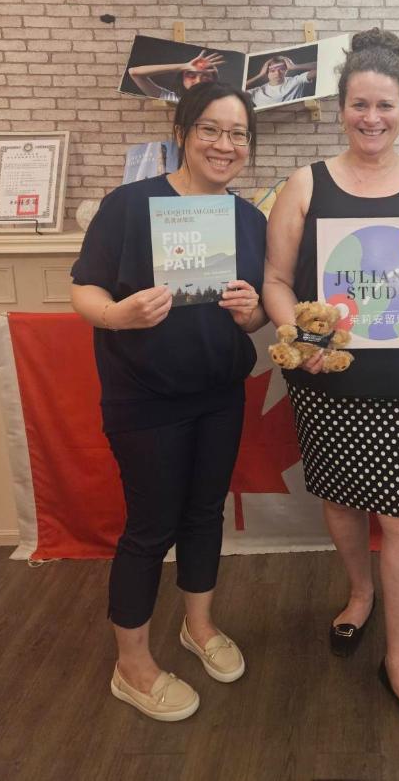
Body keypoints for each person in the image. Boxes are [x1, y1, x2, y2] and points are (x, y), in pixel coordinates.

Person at [263, 28, 399, 745]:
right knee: (342, 499)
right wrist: (299, 334)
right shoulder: (304, 184)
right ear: (341, 109)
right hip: (326, 376)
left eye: (385, 105)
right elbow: (276, 281)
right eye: (359, 104)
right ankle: (359, 592)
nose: (371, 117)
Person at [71, 81, 267, 722]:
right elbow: (85, 289)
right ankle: (130, 666)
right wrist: (118, 315)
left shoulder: (248, 219)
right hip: (145, 397)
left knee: (205, 513)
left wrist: (252, 311)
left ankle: (198, 626)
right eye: (210, 129)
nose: (224, 144)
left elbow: (257, 314)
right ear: (182, 132)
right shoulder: (130, 205)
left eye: (238, 134)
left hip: (219, 394)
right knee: (150, 526)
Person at [128, 48, 224, 103]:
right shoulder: (175, 100)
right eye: (191, 75)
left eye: (205, 77)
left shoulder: (222, 103)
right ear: (182, 79)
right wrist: (183, 66)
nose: (198, 81)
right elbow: (134, 73)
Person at [246, 53, 317, 108]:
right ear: (266, 73)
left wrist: (294, 66)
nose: (277, 73)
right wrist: (260, 75)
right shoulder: (257, 92)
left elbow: (321, 66)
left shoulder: (296, 81)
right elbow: (239, 89)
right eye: (272, 71)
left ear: (286, 70)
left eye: (282, 69)